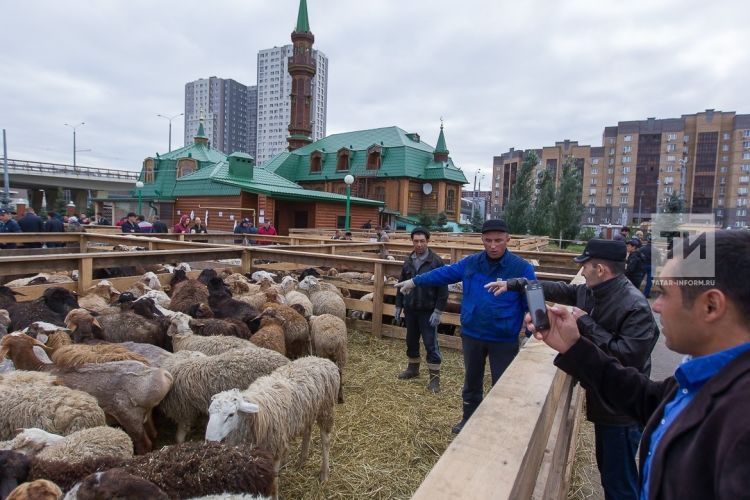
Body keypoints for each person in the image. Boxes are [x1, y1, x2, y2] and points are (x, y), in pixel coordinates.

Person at [526, 230, 750, 500]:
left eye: (666, 293)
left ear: (711, 306)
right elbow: (647, 398)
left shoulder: (740, 426)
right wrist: (574, 348)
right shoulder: (706, 378)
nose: (656, 306)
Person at [486, 238, 659, 500]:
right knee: (611, 475)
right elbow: (556, 288)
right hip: (605, 403)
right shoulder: (592, 290)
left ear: (600, 269)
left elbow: (627, 358)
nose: (583, 270)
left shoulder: (636, 307)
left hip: (622, 411)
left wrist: (584, 322)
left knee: (619, 482)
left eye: (586, 265)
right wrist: (514, 284)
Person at [395, 219, 536, 434]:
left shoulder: (521, 268)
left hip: (503, 338)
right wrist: (415, 281)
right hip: (473, 334)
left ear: (508, 239)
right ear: (482, 240)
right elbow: (443, 273)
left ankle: (499, 427)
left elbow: (532, 301)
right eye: (488, 240)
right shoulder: (472, 263)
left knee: (503, 384)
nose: (493, 245)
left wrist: (530, 332)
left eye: (498, 240)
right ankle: (468, 420)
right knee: (472, 381)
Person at [394, 228, 448, 393]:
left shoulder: (436, 262)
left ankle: (434, 379)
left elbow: (443, 289)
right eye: (416, 241)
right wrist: (398, 305)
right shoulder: (408, 261)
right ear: (412, 241)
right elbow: (401, 284)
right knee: (411, 340)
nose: (419, 244)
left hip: (427, 310)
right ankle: (413, 368)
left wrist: (438, 311)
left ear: (427, 241)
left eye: (422, 241)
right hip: (411, 309)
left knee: (431, 343)